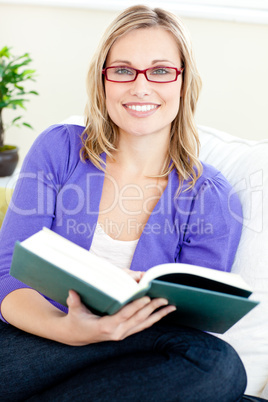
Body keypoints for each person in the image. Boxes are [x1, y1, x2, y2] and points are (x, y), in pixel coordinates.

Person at [0, 4, 258, 401]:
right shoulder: (60, 149)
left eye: (160, 70)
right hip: (34, 341)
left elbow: (193, 325)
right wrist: (69, 328)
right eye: (122, 70)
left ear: (183, 82)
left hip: (130, 355)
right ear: (103, 81)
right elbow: (8, 277)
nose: (140, 87)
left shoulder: (211, 196)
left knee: (216, 362)